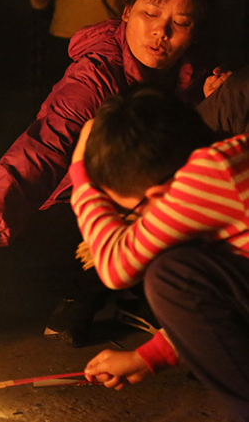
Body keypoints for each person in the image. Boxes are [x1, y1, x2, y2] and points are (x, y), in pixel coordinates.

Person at [0, 0, 214, 347]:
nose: (162, 32)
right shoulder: (95, 75)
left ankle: (151, 293)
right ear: (126, 11)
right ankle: (85, 290)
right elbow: (44, 144)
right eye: (150, 15)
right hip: (79, 209)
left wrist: (212, 95)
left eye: (181, 23)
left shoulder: (197, 73)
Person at [71, 84, 249, 419]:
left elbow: (115, 267)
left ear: (159, 193)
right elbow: (230, 294)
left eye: (134, 213)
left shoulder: (211, 171)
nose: (139, 224)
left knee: (170, 274)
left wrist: (80, 178)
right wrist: (150, 357)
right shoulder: (230, 160)